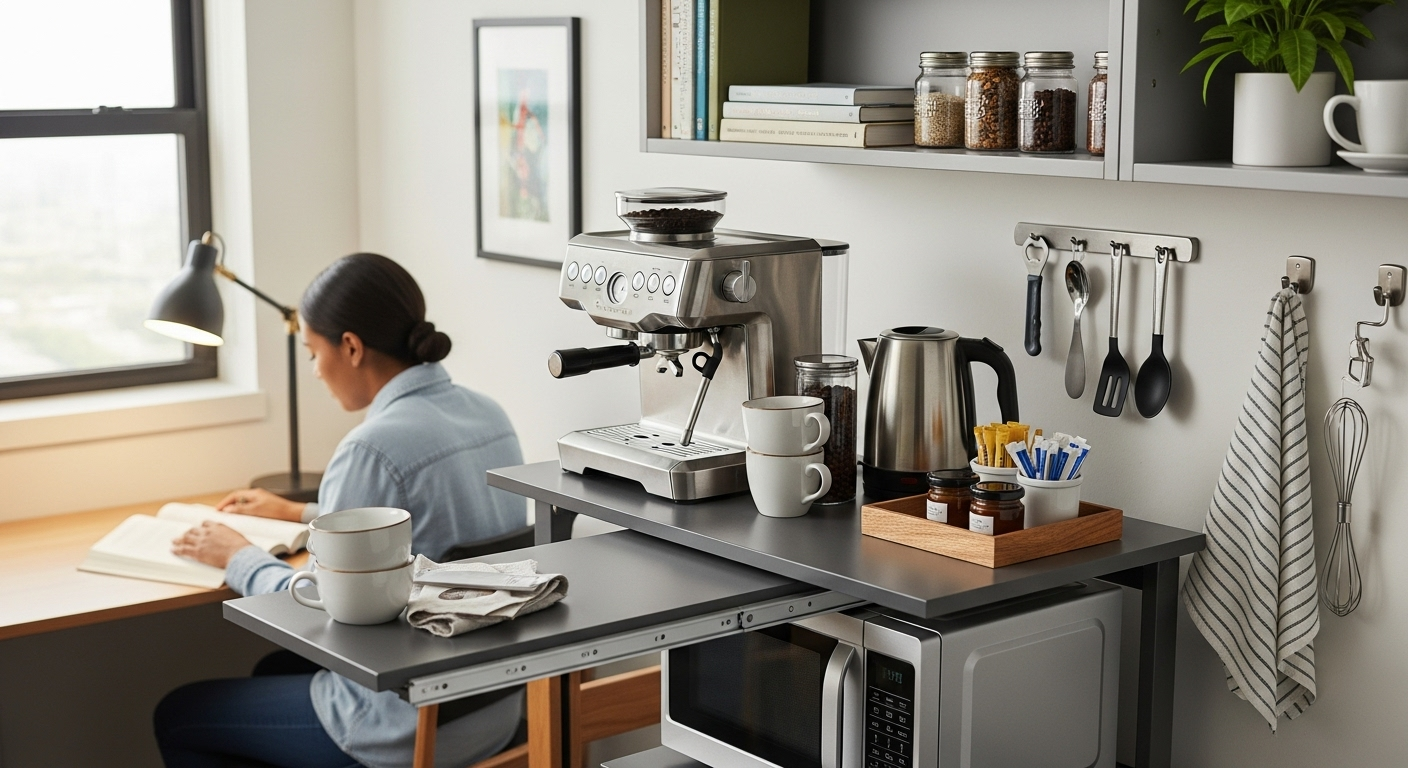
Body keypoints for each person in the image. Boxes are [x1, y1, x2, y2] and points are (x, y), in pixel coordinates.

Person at [154, 253, 526, 768]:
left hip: (405, 725)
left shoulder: (370, 450)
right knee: (270, 669)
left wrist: (236, 556)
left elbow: (316, 609)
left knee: (178, 714)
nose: (313, 370)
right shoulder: (489, 414)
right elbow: (424, 535)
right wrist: (305, 513)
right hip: (495, 709)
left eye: (311, 352)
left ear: (350, 347)